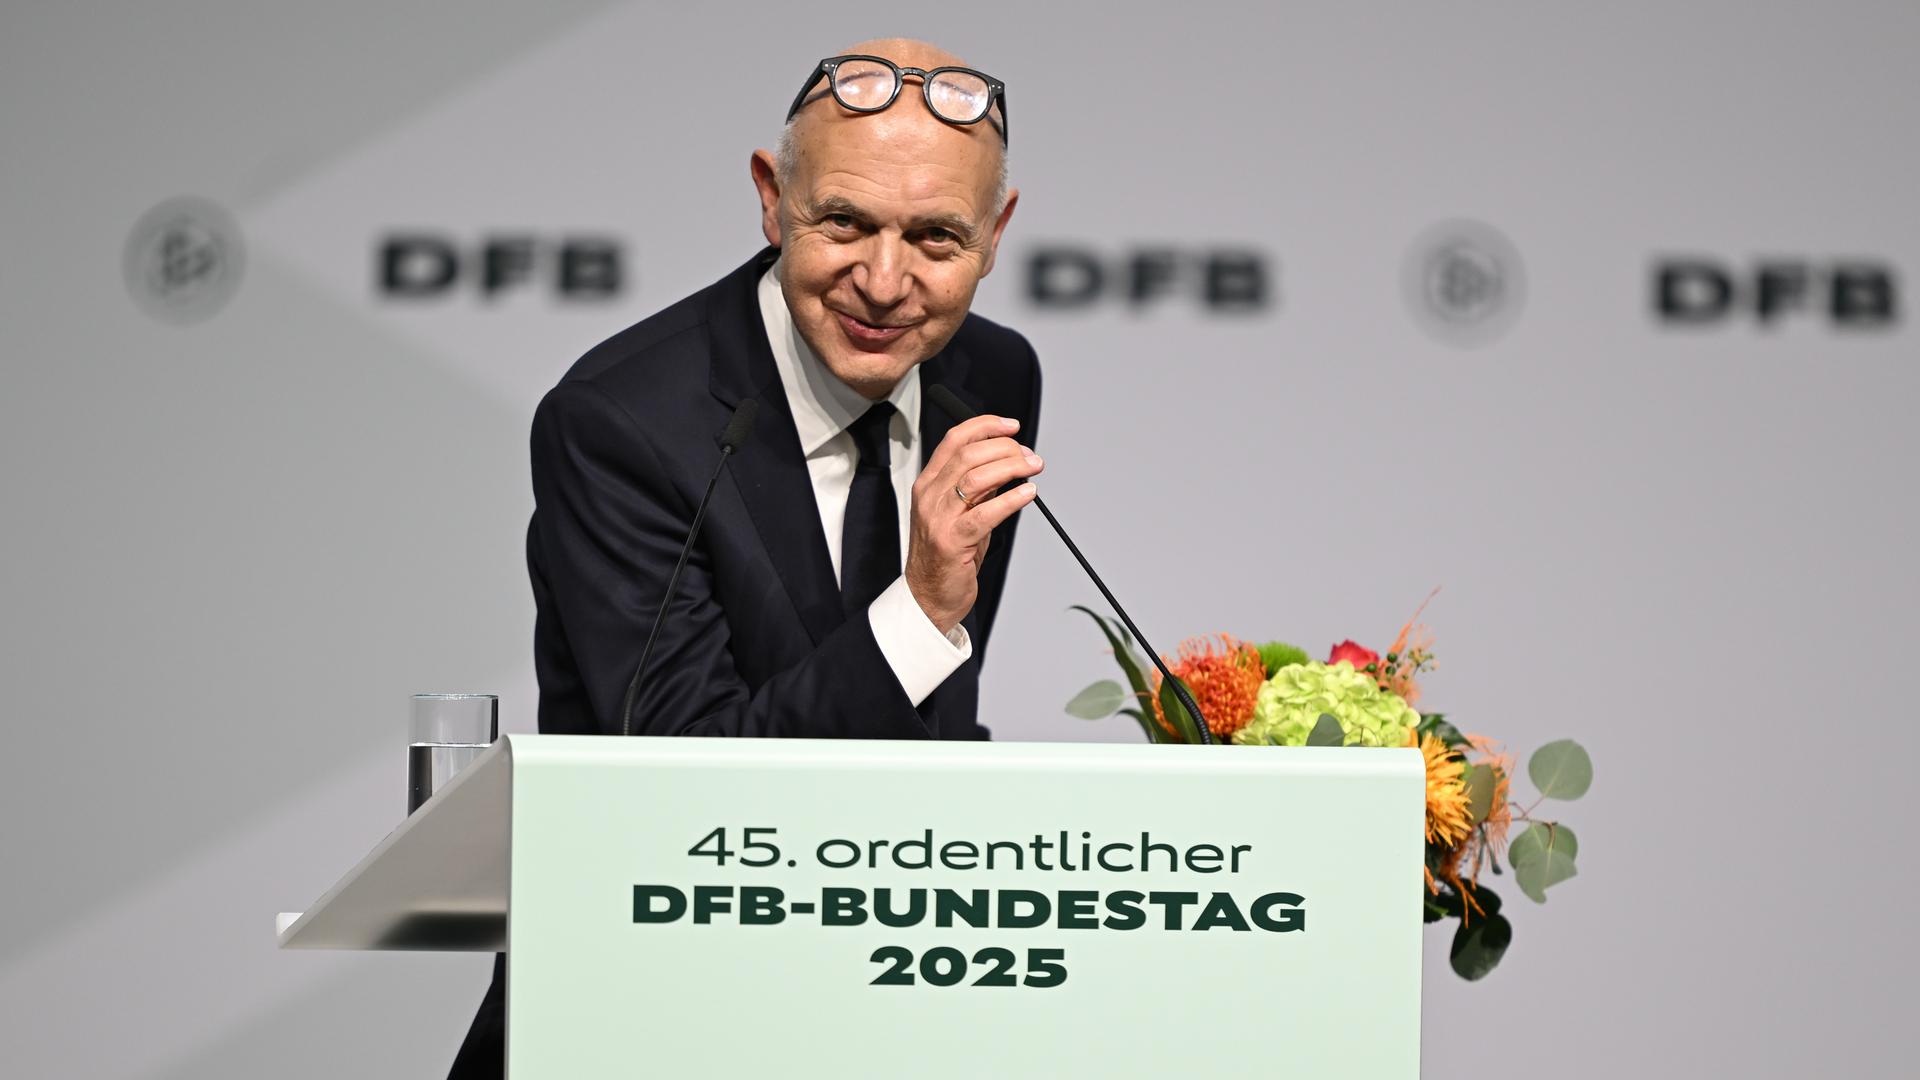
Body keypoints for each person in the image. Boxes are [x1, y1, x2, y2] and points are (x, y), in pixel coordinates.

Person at [447, 38, 1041, 1077]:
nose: (886, 282)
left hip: (872, 1013)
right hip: (639, 1017)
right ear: (773, 200)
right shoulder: (623, 422)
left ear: (996, 234)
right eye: (845, 222)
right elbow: (693, 783)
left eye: (937, 238)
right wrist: (921, 608)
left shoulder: (987, 373)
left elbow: (933, 719)